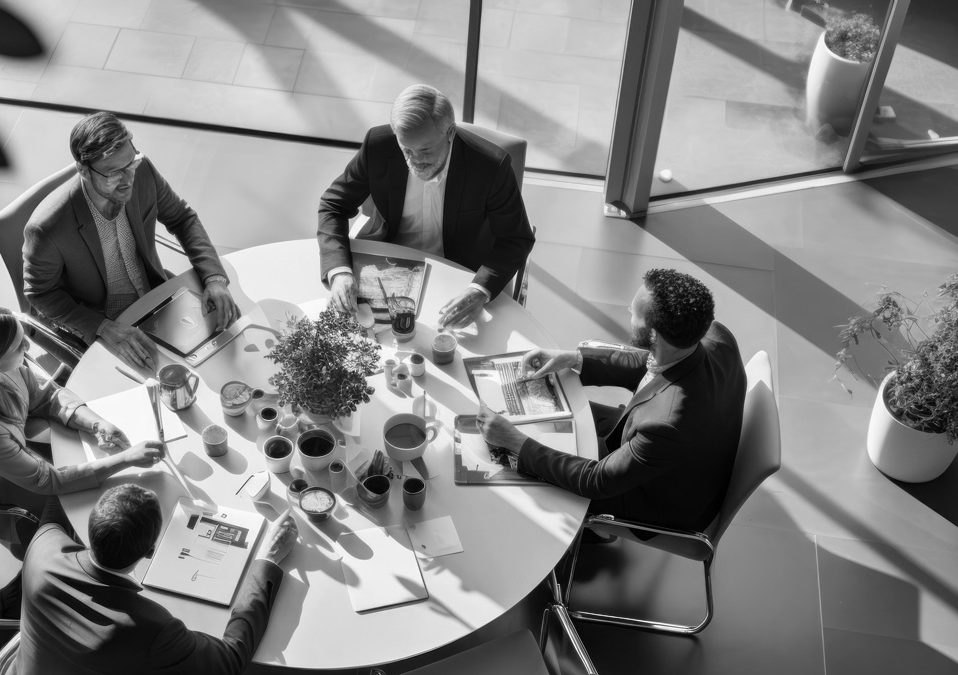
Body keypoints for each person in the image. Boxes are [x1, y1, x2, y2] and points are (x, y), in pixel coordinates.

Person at [0, 485, 298, 675]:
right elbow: (232, 658)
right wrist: (268, 560)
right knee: (206, 668)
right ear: (150, 550)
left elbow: (55, 490)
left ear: (90, 525)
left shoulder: (43, 549)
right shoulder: (150, 627)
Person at [478, 269, 746, 536]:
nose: (628, 310)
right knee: (555, 407)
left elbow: (595, 481)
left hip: (659, 502)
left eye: (634, 313)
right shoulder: (713, 335)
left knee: (527, 479)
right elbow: (654, 363)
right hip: (682, 455)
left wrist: (514, 441)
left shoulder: (666, 425)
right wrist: (574, 359)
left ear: (653, 335)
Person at [22, 111, 239, 369]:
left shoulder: (143, 169)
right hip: (102, 319)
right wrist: (101, 327)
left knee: (226, 349)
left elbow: (182, 217)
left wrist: (213, 278)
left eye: (130, 164)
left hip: (155, 294)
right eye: (113, 173)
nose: (128, 180)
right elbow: (40, 293)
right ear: (83, 170)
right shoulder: (47, 228)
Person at [0, 304, 164, 538]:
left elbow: (45, 395)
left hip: (20, 461)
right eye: (18, 346)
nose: (28, 347)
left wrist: (95, 423)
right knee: (107, 515)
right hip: (3, 498)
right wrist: (125, 459)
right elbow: (48, 481)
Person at [317, 83, 535, 330]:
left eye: (426, 150)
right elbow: (333, 205)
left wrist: (479, 290)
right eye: (406, 150)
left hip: (457, 274)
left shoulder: (490, 167)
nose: (416, 161)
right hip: (387, 264)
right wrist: (339, 271)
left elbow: (516, 238)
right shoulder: (378, 145)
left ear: (450, 133)